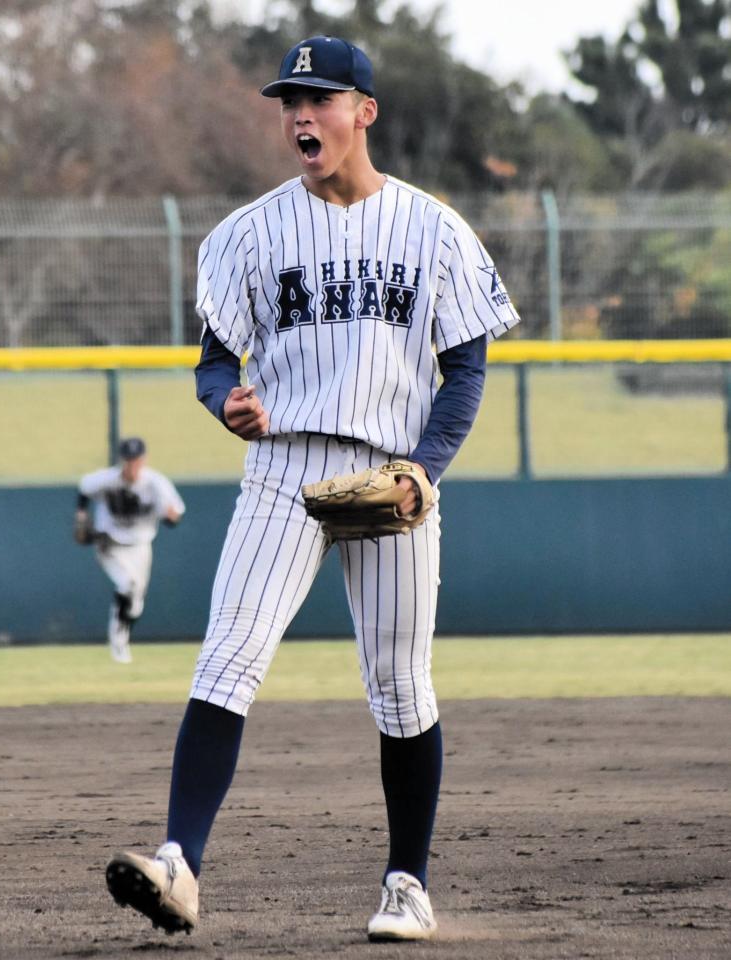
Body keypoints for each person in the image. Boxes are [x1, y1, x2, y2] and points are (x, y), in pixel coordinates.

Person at [105, 35, 519, 940]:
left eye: (320, 98)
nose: (300, 113)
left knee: (400, 685)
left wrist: (423, 468)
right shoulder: (251, 233)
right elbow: (215, 364)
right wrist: (228, 404)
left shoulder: (434, 228)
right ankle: (179, 864)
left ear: (363, 112)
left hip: (389, 470)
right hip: (284, 467)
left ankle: (407, 883)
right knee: (227, 656)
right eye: (290, 99)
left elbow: (467, 369)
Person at [75, 437, 185, 664]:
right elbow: (84, 489)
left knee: (135, 606)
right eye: (128, 460)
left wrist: (171, 516)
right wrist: (82, 515)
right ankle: (118, 644)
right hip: (110, 544)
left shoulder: (156, 484)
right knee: (128, 584)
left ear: (143, 460)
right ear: (122, 461)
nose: (131, 465)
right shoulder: (107, 479)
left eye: (135, 460)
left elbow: (174, 518)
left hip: (140, 547)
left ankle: (122, 636)